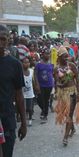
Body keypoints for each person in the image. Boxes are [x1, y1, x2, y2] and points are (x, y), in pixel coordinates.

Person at [0, 25, 27, 157]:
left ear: (7, 40)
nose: (0, 42)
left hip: (7, 118)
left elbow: (19, 95)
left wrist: (24, 122)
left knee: (7, 153)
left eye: (2, 39)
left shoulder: (15, 64)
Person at [54, 46, 79, 146]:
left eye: (67, 56)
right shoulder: (56, 68)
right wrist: (58, 86)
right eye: (64, 56)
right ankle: (72, 128)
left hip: (71, 93)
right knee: (66, 114)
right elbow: (56, 80)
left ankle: (65, 137)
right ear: (59, 57)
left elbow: (78, 80)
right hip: (62, 94)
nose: (66, 58)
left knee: (69, 114)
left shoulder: (72, 66)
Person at [35, 48, 54, 122]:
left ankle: (45, 114)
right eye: (46, 54)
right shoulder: (38, 64)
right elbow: (35, 75)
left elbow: (52, 74)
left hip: (49, 85)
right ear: (42, 55)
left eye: (49, 54)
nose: (48, 55)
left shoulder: (51, 64)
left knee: (46, 100)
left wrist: (54, 84)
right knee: (39, 99)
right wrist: (36, 84)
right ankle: (44, 109)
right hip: (41, 85)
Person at [22, 57, 39, 126]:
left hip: (30, 93)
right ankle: (24, 120)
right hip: (22, 93)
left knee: (30, 108)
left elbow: (34, 80)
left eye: (28, 62)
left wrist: (37, 86)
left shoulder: (32, 71)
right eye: (25, 62)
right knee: (24, 108)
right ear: (22, 63)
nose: (27, 64)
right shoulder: (20, 71)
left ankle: (30, 118)